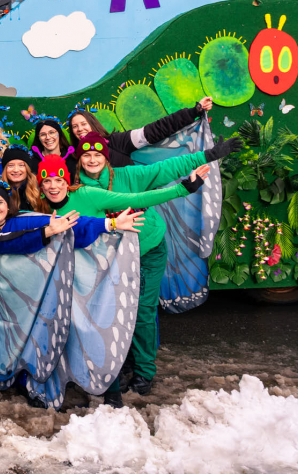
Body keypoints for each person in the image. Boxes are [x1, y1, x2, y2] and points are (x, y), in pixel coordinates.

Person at [34, 150, 210, 408]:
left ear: (67, 181)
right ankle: (79, 375)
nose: (53, 186)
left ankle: (126, 380)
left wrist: (183, 188)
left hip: (114, 266)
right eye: (47, 181)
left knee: (124, 317)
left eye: (58, 180)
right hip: (78, 275)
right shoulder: (39, 207)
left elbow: (136, 198)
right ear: (40, 186)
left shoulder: (86, 194)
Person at [71, 132, 241, 397]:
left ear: (106, 158)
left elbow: (165, 168)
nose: (92, 160)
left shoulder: (127, 177)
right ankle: (119, 363)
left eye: (98, 155)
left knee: (141, 310)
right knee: (110, 311)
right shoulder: (75, 190)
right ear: (79, 160)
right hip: (109, 260)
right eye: (86, 155)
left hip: (147, 250)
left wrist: (209, 155)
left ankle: (144, 371)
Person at [0, 182, 143, 405]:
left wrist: (111, 223)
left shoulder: (23, 220)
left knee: (62, 322)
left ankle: (94, 386)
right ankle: (0, 379)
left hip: (30, 292)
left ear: (8, 206)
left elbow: (70, 223)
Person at [66, 96, 215, 173]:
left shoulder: (116, 141)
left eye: (83, 124)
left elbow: (154, 131)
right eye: (75, 126)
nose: (80, 129)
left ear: (93, 124)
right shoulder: (73, 159)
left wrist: (193, 112)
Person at [0, 146, 49, 212]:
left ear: (27, 169)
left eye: (21, 165)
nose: (16, 170)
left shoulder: (39, 189)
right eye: (11, 165)